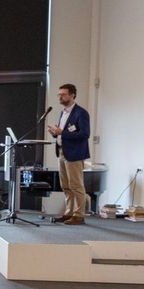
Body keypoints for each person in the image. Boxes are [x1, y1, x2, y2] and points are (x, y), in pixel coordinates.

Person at [48, 83, 91, 225]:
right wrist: (56, 134)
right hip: (62, 152)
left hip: (74, 153)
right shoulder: (63, 112)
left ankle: (79, 215)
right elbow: (65, 133)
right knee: (65, 185)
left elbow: (85, 134)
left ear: (72, 95)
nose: (60, 97)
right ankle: (69, 212)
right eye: (59, 94)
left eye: (63, 94)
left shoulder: (81, 113)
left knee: (76, 185)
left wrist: (62, 132)